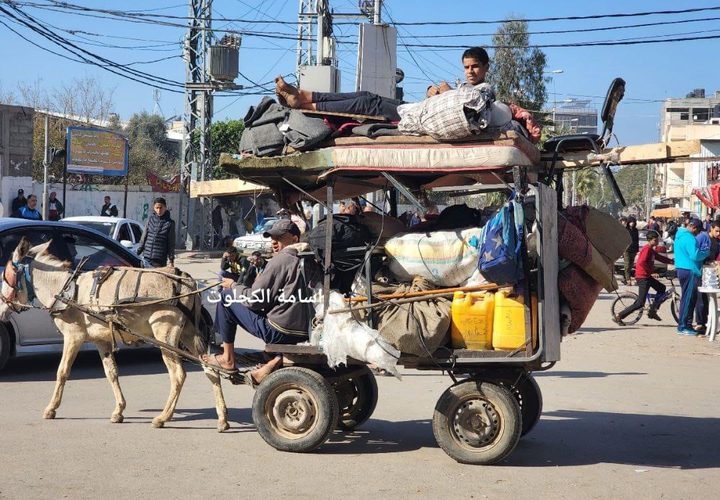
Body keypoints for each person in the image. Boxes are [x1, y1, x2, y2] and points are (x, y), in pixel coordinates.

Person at [203, 220, 321, 384]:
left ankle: (227, 358)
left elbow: (253, 300)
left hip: (280, 331)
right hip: (304, 331)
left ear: (295, 239)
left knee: (226, 298)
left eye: (279, 237)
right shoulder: (309, 259)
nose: (274, 241)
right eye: (272, 237)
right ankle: (273, 359)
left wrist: (233, 285)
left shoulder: (282, 260)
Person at [274, 46, 490, 121]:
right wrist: (432, 93)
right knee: (366, 96)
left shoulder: (484, 92)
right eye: (466, 67)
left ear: (486, 68)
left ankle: (304, 103)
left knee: (368, 104)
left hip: (417, 117)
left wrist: (448, 93)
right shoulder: (468, 89)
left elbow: (467, 109)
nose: (470, 71)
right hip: (417, 109)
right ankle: (303, 96)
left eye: (475, 67)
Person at [613, 230, 673, 325]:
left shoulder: (651, 250)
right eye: (655, 240)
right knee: (640, 303)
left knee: (662, 288)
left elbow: (660, 257)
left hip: (646, 276)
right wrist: (651, 271)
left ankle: (653, 310)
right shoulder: (646, 249)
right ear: (650, 240)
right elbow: (641, 262)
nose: (657, 242)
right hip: (642, 277)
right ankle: (619, 316)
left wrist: (672, 261)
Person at [674, 219, 709, 335]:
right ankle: (683, 326)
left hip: (682, 269)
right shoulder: (688, 238)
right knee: (688, 299)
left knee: (687, 298)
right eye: (698, 231)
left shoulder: (679, 236)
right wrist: (705, 253)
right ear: (693, 228)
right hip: (689, 270)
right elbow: (694, 255)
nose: (698, 234)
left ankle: (687, 324)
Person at [137, 197, 175, 268]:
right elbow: (143, 239)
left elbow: (171, 243)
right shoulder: (150, 220)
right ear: (154, 208)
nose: (159, 210)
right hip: (147, 258)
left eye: (161, 208)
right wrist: (137, 253)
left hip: (159, 260)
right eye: (157, 208)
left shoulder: (170, 223)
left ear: (165, 208)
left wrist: (171, 260)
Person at [622, 217, 640, 285]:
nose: (632, 223)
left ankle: (626, 277)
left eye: (633, 222)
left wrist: (637, 249)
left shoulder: (636, 230)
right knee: (627, 265)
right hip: (626, 249)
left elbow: (637, 240)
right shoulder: (626, 230)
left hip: (634, 249)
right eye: (630, 222)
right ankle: (627, 279)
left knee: (631, 265)